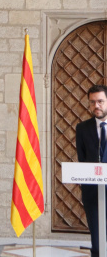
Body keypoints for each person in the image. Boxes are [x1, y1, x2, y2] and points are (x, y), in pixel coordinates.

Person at [76, 84, 107, 257]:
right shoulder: (82, 128)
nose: (97, 106)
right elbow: (82, 158)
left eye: (101, 101)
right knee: (96, 241)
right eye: (93, 102)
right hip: (92, 191)